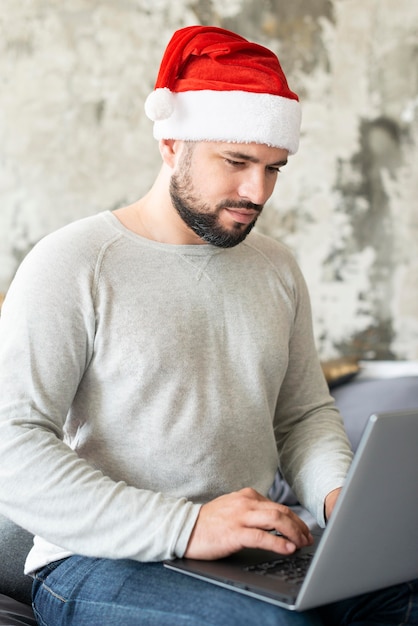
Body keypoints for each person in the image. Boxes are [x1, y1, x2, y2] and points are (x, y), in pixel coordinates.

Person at [0, 24, 416, 626]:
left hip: (250, 549)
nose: (257, 191)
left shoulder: (275, 266)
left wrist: (339, 500)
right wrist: (188, 525)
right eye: (237, 161)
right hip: (100, 559)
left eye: (274, 168)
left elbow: (302, 415)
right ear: (171, 143)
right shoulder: (72, 263)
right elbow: (12, 445)